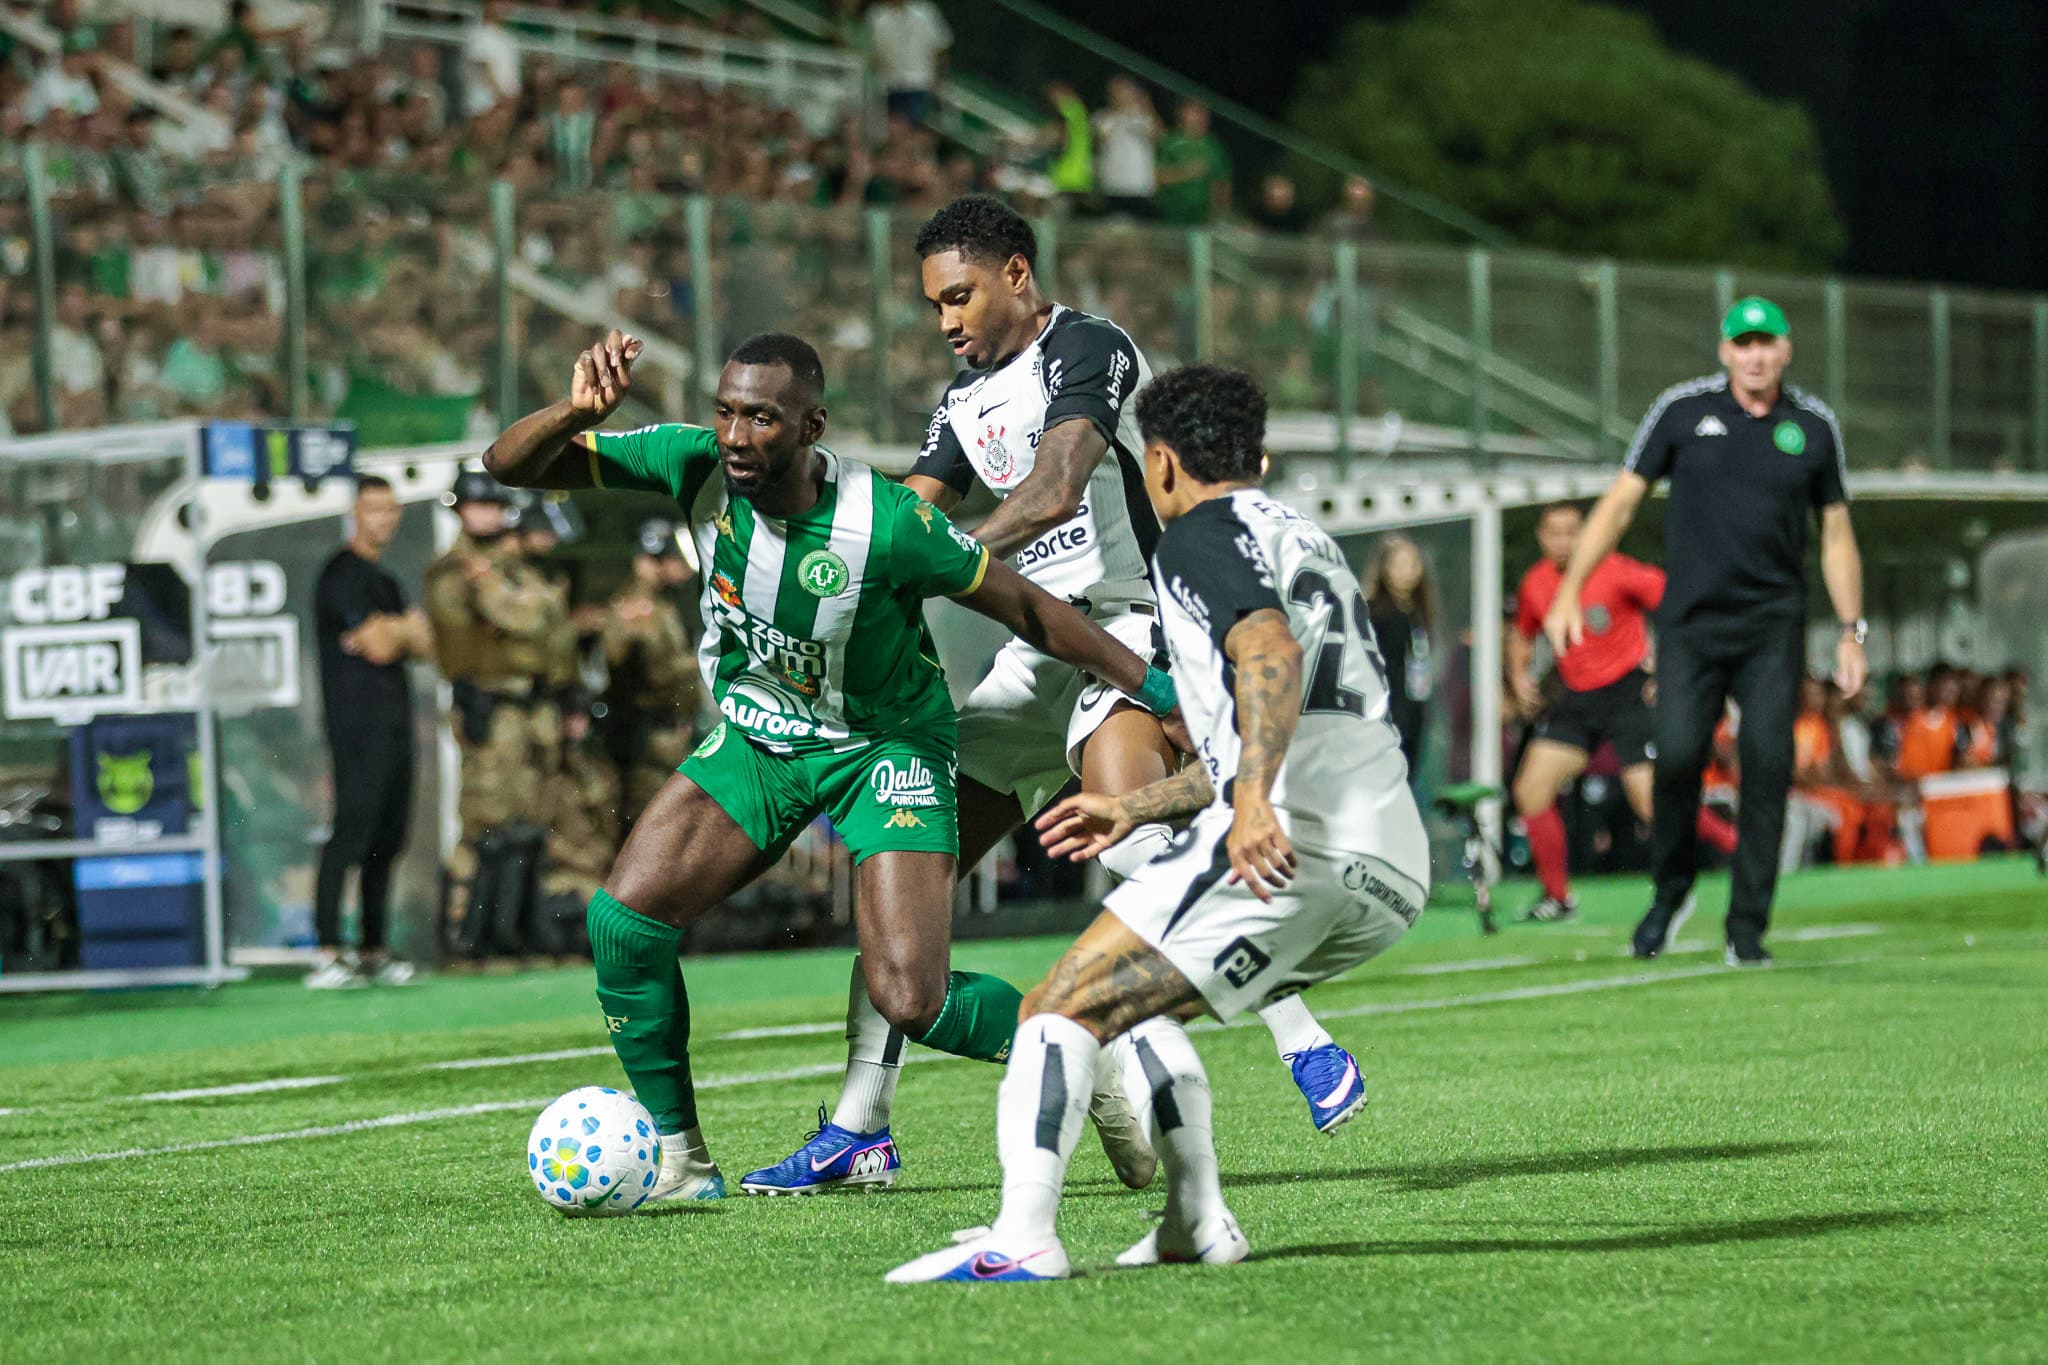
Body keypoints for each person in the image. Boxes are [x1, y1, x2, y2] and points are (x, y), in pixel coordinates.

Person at [482, 328, 1173, 1205]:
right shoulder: (690, 462)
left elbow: (1032, 610)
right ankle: (681, 1160)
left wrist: (1157, 686)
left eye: (761, 419)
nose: (736, 436)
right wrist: (575, 413)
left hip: (885, 747)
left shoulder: (888, 521)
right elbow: (508, 464)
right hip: (762, 739)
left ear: (811, 427)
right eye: (726, 412)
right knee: (624, 923)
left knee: (912, 997)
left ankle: (1080, 1048)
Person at [775, 196, 1362, 1199]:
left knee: (1137, 841)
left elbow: (1052, 488)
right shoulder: (961, 399)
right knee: (900, 869)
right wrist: (820, 553)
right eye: (933, 304)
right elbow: (907, 508)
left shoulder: (1086, 348)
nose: (946, 319)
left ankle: (1301, 1035)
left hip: (1128, 633)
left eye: (959, 295)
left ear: (1016, 272)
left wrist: (930, 560)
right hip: (1032, 652)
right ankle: (858, 1128)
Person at [887, 364, 1430, 1283]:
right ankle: (1193, 1220)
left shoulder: (1198, 538)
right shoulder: (1311, 543)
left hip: (1292, 844)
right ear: (1258, 456)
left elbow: (1268, 653)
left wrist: (1250, 801)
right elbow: (1279, 719)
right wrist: (1134, 806)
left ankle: (1023, 1238)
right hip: (1391, 859)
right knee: (1133, 1008)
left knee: (1056, 1009)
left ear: (1162, 464)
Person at [1546, 296, 1868, 966]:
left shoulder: (1812, 426)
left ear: (1786, 350)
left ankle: (1746, 927)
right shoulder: (1682, 412)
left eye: (1766, 342)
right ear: (1724, 351)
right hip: (1691, 626)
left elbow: (1836, 534)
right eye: (1743, 343)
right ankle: (1671, 891)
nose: (1755, 355)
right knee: (1677, 756)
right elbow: (1620, 503)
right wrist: (1570, 589)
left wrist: (1850, 632)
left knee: (1768, 764)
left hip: (1771, 627)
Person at [1506, 502, 1738, 921]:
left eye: (1571, 531)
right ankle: (1558, 898)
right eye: (1554, 532)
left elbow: (1681, 609)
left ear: (1586, 533)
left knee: (1651, 804)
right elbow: (1522, 634)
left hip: (1628, 693)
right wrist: (1520, 675)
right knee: (1531, 790)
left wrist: (1669, 669)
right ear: (1541, 537)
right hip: (1577, 698)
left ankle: (1739, 847)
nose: (1563, 541)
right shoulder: (1535, 583)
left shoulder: (1618, 570)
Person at [423, 470, 560, 960]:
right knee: (483, 826)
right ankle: (464, 933)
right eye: (479, 506)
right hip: (487, 706)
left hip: (522, 710)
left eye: (494, 506)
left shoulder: (505, 566)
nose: (488, 516)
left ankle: (507, 929)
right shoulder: (455, 570)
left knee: (522, 823)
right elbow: (524, 616)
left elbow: (545, 616)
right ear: (460, 510)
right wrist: (514, 602)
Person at [308, 475, 433, 988]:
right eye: (374, 508)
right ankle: (326, 949)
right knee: (351, 831)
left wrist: (394, 630)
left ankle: (372, 948)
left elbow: (426, 642)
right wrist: (399, 631)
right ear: (354, 514)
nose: (384, 518)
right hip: (356, 726)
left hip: (395, 724)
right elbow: (384, 646)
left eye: (390, 509)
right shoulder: (340, 574)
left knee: (388, 836)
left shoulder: (387, 581)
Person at [600, 517, 702, 826]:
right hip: (646, 734)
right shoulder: (637, 607)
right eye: (677, 559)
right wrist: (704, 660)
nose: (685, 569)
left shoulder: (659, 604)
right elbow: (657, 673)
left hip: (663, 732)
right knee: (651, 820)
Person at [1363, 532, 1434, 778]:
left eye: (1413, 564)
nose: (1407, 572)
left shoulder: (1417, 612)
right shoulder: (1374, 613)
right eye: (1400, 564)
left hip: (1414, 708)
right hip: (1387, 713)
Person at [864, 0, 951, 127]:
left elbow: (940, 49)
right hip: (890, 84)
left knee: (916, 128)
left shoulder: (925, 12)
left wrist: (938, 81)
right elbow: (873, 53)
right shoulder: (877, 16)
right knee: (894, 129)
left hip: (920, 84)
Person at [1152, 99, 1231, 227]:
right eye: (1195, 111)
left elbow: (1222, 183)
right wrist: (1187, 172)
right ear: (1182, 114)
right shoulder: (1169, 142)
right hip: (1168, 216)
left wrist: (1218, 215)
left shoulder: (1214, 146)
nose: (1201, 117)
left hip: (1200, 220)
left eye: (1204, 112)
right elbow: (1156, 177)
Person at [1092, 76, 1160, 218]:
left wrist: (1147, 107)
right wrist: (1120, 115)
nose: (1122, 95)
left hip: (1139, 186)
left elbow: (1156, 136)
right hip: (1113, 185)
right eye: (1117, 91)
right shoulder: (1102, 117)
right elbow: (1100, 141)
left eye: (1126, 90)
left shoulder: (1144, 117)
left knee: (1141, 227)